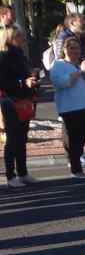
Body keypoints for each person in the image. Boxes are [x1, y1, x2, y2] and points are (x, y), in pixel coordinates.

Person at [51, 37, 85, 178]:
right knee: (76, 141)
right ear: (64, 50)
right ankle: (76, 169)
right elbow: (62, 83)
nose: (74, 51)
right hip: (72, 108)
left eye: (77, 48)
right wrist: (80, 72)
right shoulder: (58, 65)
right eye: (71, 48)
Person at [0, 26, 39, 188]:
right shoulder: (3, 56)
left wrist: (32, 75)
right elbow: (3, 81)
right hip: (10, 100)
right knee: (12, 138)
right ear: (10, 38)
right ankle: (11, 175)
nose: (23, 39)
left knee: (22, 138)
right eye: (20, 36)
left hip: (23, 98)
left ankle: (23, 172)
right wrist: (23, 82)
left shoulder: (20, 54)